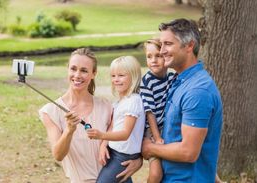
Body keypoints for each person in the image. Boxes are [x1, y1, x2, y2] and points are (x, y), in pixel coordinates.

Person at [39, 48, 142, 183]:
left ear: (93, 74)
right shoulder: (50, 112)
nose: (77, 75)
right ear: (67, 70)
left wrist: (138, 159)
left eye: (84, 70)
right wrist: (69, 130)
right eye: (73, 69)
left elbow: (133, 132)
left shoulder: (107, 106)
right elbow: (58, 155)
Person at [142, 18, 223, 183]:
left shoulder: (197, 91)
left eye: (168, 44)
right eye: (161, 44)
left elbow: (188, 152)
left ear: (189, 46)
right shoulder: (178, 81)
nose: (162, 50)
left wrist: (150, 148)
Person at [86, 56, 145, 183]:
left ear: (133, 77)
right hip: (115, 151)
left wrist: (101, 135)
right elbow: (112, 126)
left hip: (123, 155)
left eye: (121, 75)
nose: (116, 80)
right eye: (113, 76)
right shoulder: (120, 102)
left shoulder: (133, 101)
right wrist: (103, 143)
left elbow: (125, 134)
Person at [140, 38, 176, 183]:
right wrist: (158, 138)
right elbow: (150, 113)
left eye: (158, 56)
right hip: (152, 131)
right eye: (149, 56)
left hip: (168, 127)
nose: (153, 60)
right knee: (156, 175)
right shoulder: (147, 82)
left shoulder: (172, 77)